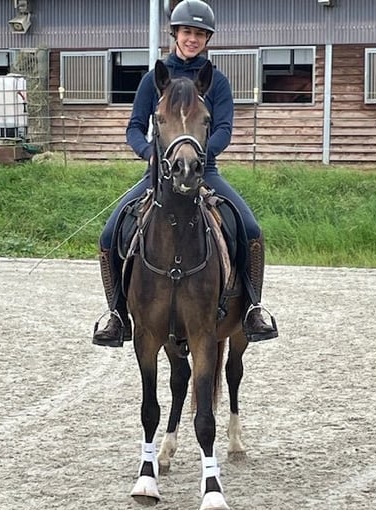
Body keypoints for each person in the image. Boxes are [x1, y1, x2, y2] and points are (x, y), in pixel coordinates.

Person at [92, 0, 277, 347]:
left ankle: (252, 308)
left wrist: (196, 158)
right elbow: (134, 127)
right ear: (175, 33)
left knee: (251, 230)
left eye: (199, 34)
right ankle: (117, 314)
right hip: (159, 175)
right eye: (187, 32)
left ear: (207, 39)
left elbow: (223, 129)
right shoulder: (154, 79)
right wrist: (150, 154)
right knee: (108, 234)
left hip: (204, 171)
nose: (192, 39)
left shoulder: (216, 81)